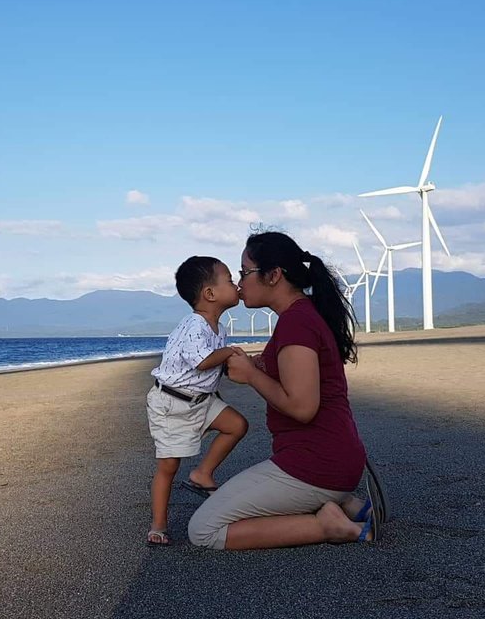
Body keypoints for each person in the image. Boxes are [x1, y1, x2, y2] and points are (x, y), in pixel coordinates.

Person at [187, 231, 375, 550]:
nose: (240, 283)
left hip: (316, 464)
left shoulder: (296, 323)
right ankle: (344, 503)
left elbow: (303, 407)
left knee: (203, 529)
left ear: (273, 275)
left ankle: (326, 525)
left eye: (245, 273)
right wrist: (263, 366)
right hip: (331, 460)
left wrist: (251, 375)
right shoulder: (301, 317)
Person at [146, 256, 249, 546]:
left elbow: (212, 367)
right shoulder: (195, 325)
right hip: (172, 405)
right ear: (210, 294)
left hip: (202, 401)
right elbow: (203, 361)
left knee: (237, 425)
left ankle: (203, 473)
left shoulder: (219, 329)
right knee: (168, 466)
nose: (236, 284)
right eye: (230, 279)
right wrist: (230, 353)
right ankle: (158, 525)